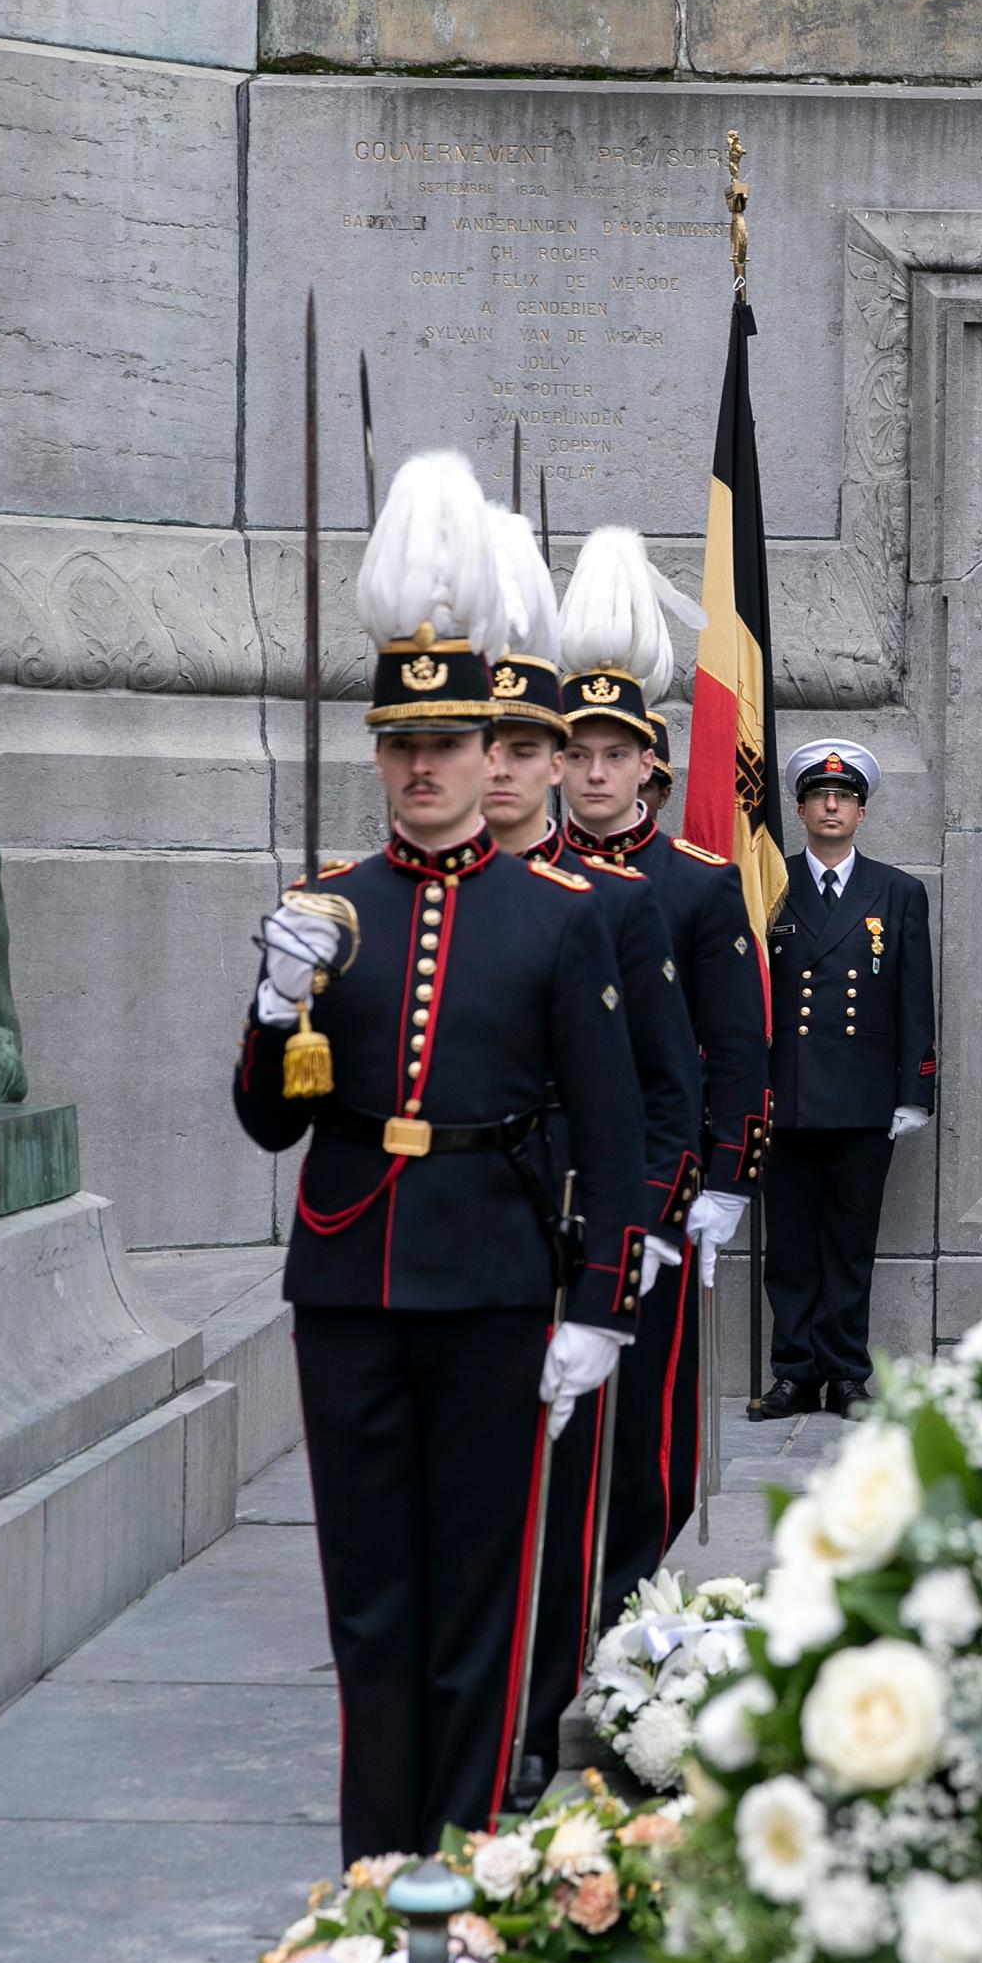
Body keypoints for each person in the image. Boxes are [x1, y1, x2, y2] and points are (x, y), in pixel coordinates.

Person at [232, 450, 643, 1860]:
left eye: (449, 749)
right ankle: (374, 1866)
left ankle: (459, 1861)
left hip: (489, 1281)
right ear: (382, 756)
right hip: (351, 1275)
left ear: (488, 757)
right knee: (369, 1601)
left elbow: (614, 1128)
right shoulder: (327, 907)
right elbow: (270, 1120)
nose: (424, 771)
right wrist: (272, 1000)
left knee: (478, 1589)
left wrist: (596, 1305)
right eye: (401, 750)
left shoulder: (557, 916)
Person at [477, 508, 705, 1804]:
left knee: (560, 1504)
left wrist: (647, 1229)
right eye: (489, 746)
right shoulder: (402, 900)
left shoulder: (619, 906)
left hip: (566, 1240)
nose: (514, 771)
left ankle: (527, 1714)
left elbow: (664, 1096)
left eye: (532, 748)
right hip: (446, 1250)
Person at [558, 527, 769, 1608]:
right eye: (577, 754)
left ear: (652, 763)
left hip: (662, 1180)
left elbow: (736, 1045)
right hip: (551, 1179)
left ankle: (627, 1585)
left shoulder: (693, 883)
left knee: (648, 1416)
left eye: (614, 755)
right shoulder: (531, 873)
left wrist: (727, 1183)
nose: (594, 775)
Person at [754, 740, 937, 1419]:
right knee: (792, 1244)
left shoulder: (897, 891)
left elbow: (914, 998)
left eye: (845, 797)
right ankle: (795, 1372)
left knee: (851, 1243)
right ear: (800, 808)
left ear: (861, 811)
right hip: (790, 1094)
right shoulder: (768, 885)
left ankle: (848, 1373)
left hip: (864, 1100)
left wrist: (915, 1090)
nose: (831, 805)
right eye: (819, 796)